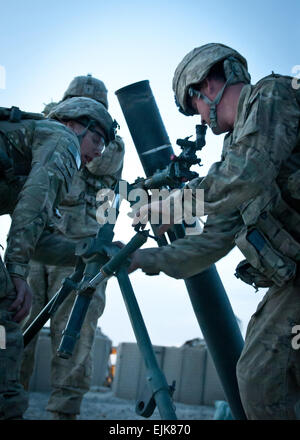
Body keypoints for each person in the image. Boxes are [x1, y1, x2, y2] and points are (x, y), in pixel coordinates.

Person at [129, 43, 300, 420]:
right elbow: (212, 241)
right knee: (260, 373)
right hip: (294, 282)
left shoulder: (273, 95)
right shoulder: (232, 155)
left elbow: (245, 175)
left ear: (206, 84)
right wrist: (142, 258)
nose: (200, 118)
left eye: (194, 107)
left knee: (260, 373)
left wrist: (174, 204)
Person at [0, 95, 115, 419]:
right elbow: (33, 207)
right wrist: (18, 272)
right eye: (95, 139)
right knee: (6, 318)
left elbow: (40, 239)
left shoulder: (34, 144)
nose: (96, 153)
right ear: (71, 124)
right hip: (28, 263)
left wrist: (88, 253)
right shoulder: (60, 139)